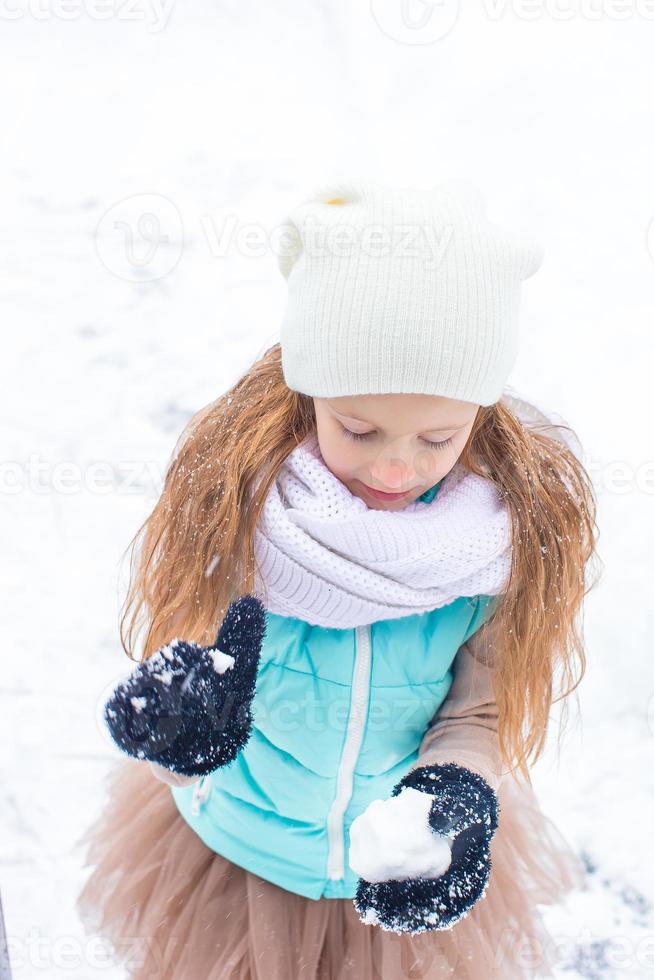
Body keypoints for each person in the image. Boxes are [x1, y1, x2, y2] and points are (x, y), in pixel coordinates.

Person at [74, 178, 600, 979]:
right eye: (358, 429)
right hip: (240, 855)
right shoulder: (242, 516)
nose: (396, 464)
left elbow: (483, 708)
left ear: (479, 417)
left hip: (389, 860)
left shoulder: (493, 550)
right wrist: (181, 740)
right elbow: (194, 690)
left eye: (437, 437)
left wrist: (453, 792)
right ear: (309, 395)